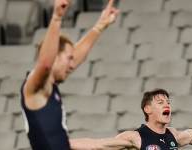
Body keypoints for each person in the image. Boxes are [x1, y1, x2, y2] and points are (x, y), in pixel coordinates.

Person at [20, 0, 129, 149]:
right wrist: (57, 17)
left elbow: (77, 56)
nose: (73, 64)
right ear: (55, 57)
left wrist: (100, 26)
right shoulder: (36, 87)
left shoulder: (49, 88)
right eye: (69, 58)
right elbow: (45, 64)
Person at [113, 88, 192, 150]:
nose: (167, 105)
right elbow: (104, 146)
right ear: (147, 109)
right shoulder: (133, 137)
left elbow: (190, 136)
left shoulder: (172, 134)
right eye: (160, 102)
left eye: (168, 102)